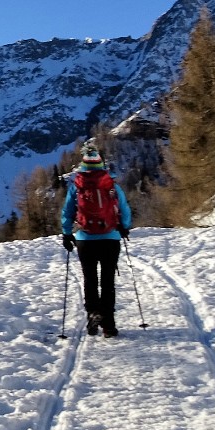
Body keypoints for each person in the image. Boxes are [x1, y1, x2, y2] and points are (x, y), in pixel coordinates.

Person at [61, 142, 132, 337]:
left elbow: (67, 211)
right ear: (101, 165)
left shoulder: (77, 186)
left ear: (83, 167)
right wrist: (124, 227)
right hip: (110, 238)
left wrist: (67, 233)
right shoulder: (111, 185)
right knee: (107, 281)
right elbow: (124, 209)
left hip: (85, 238)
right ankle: (108, 325)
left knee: (90, 279)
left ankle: (93, 312)